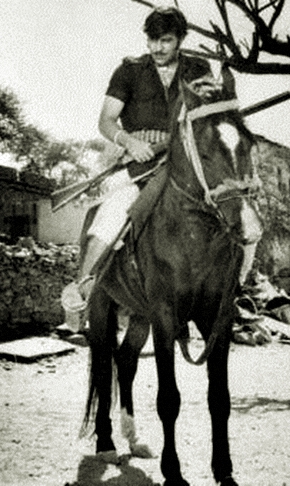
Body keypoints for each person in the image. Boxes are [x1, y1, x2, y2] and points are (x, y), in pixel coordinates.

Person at [61, 7, 214, 327]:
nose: (157, 48)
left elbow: (210, 113)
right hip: (139, 166)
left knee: (230, 207)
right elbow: (105, 121)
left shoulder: (199, 67)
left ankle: (230, 291)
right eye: (152, 40)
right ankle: (84, 289)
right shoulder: (129, 71)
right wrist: (130, 143)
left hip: (187, 163)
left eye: (166, 40)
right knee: (113, 212)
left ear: (181, 40)